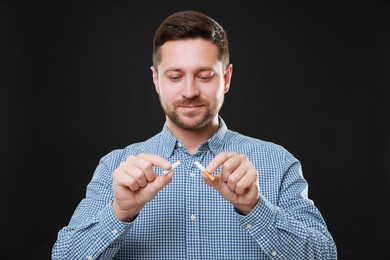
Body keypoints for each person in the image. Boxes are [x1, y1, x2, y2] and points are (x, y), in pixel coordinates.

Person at [52, 10, 337, 259]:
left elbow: (325, 255)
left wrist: (255, 208)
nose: (189, 91)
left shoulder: (278, 162)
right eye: (175, 76)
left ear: (225, 78)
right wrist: (120, 212)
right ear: (156, 80)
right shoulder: (115, 167)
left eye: (204, 76)